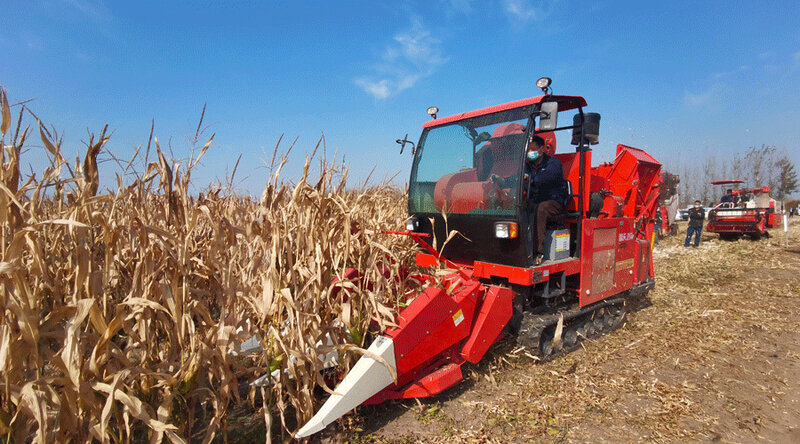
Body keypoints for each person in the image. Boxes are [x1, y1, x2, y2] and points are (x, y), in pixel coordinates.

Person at [492, 135, 566, 265]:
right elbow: (517, 178)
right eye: (528, 150)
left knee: (541, 209)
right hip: (535, 200)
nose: (529, 153)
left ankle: (537, 253)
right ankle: (512, 248)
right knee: (517, 206)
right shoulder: (528, 165)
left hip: (554, 201)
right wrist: (502, 181)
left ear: (542, 149)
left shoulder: (554, 163)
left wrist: (530, 179)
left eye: (532, 149)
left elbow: (546, 178)